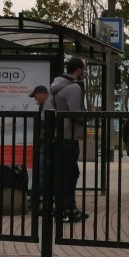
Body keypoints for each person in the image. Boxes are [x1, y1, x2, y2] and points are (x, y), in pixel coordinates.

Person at [49, 57, 89, 223]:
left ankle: (62, 207)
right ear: (79, 70)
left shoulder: (56, 84)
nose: (85, 73)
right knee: (71, 173)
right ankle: (68, 209)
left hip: (59, 135)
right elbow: (75, 113)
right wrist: (89, 116)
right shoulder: (73, 88)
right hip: (69, 136)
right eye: (84, 69)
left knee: (63, 173)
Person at [29, 85, 51, 212]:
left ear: (43, 94)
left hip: (44, 146)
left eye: (36, 96)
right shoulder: (43, 106)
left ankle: (36, 201)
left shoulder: (47, 106)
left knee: (41, 174)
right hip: (43, 145)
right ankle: (36, 200)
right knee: (40, 174)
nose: (35, 99)